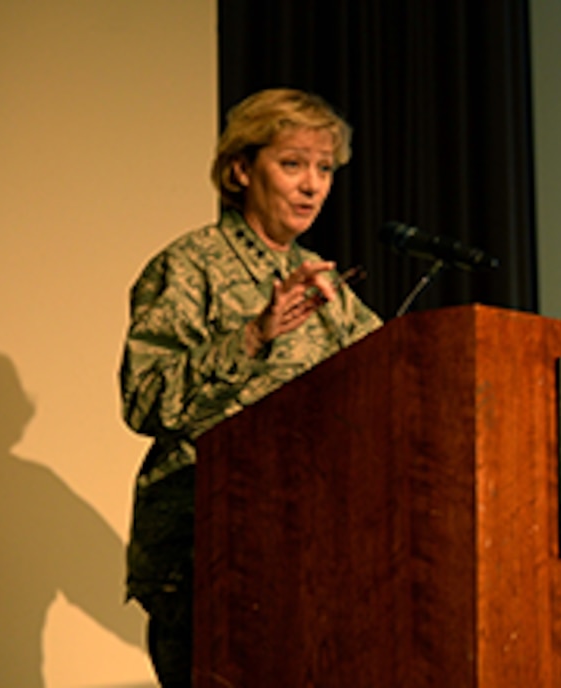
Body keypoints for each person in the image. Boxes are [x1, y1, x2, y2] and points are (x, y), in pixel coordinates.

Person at [120, 88, 382, 686]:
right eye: (292, 164)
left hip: (310, 556)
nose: (312, 186)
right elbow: (144, 398)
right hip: (206, 554)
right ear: (241, 169)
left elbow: (389, 375)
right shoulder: (190, 266)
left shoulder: (326, 288)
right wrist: (251, 337)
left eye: (323, 168)